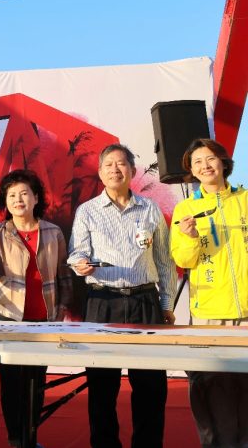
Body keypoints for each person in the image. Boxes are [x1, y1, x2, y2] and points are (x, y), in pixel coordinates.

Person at [68, 143, 176, 448]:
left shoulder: (149, 208)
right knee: (102, 385)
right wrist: (79, 264)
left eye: (121, 164)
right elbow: (76, 252)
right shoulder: (87, 210)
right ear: (100, 173)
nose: (115, 170)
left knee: (151, 385)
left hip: (145, 302)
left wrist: (166, 303)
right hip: (103, 302)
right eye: (109, 165)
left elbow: (164, 260)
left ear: (132, 170)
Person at [0, 169, 72, 448]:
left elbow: (64, 274)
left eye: (24, 193)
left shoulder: (53, 232)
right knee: (11, 382)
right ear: (6, 201)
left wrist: (62, 306)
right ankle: (16, 438)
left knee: (37, 382)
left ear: (36, 198)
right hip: (8, 317)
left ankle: (31, 437)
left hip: (43, 318)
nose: (18, 199)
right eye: (12, 195)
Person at [170, 138, 248, 448]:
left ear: (224, 162)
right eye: (197, 162)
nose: (205, 166)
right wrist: (189, 237)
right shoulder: (186, 209)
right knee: (214, 393)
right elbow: (183, 259)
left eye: (211, 159)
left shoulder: (244, 199)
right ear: (191, 170)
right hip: (209, 315)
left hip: (246, 314)